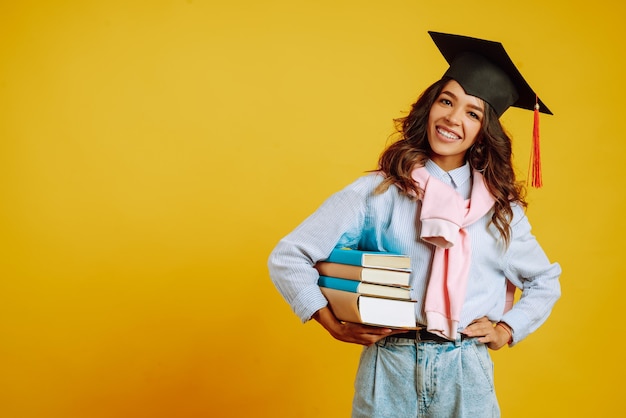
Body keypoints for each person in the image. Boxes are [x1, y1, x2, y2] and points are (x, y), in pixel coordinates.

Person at [267, 31, 561, 418]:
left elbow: (545, 281)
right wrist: (328, 321)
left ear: (482, 133)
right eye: (446, 101)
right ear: (430, 106)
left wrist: (506, 329)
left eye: (472, 113)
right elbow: (290, 256)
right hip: (390, 364)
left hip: (465, 369)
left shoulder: (500, 210)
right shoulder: (379, 191)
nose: (453, 119)